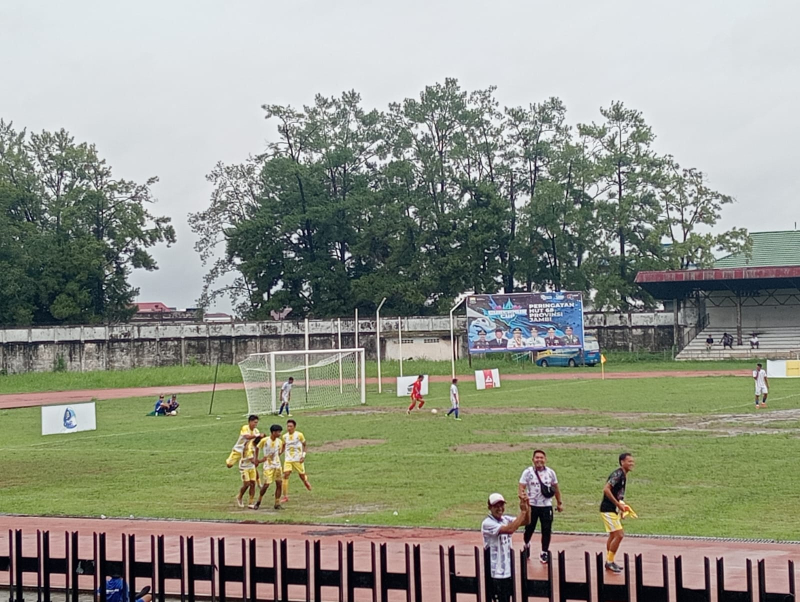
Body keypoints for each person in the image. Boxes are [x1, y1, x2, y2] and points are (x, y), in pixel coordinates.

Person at [481, 492, 530, 602]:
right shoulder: (487, 523)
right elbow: (509, 530)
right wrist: (522, 512)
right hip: (494, 573)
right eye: (496, 506)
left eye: (501, 505)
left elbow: (527, 521)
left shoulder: (505, 519)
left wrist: (527, 506)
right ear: (490, 507)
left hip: (507, 571)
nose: (499, 508)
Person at [518, 450, 563, 564]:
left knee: (546, 530)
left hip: (546, 506)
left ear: (545, 459)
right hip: (532, 506)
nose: (539, 460)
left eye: (541, 458)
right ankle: (527, 544)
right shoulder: (528, 472)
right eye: (537, 458)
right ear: (533, 460)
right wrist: (523, 498)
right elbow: (521, 486)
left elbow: (556, 488)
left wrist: (559, 503)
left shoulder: (551, 473)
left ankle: (544, 552)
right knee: (529, 528)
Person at [600, 453, 635, 573]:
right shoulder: (618, 474)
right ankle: (609, 562)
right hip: (608, 509)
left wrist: (622, 507)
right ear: (622, 462)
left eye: (632, 461)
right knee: (619, 535)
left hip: (612, 509)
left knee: (613, 535)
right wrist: (617, 504)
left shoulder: (623, 475)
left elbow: (617, 494)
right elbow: (606, 489)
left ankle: (609, 560)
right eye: (629, 461)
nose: (632, 464)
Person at [251, 424, 284, 509]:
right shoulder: (265, 440)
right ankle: (259, 501)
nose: (279, 434)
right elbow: (257, 448)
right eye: (278, 432)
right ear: (273, 432)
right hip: (268, 466)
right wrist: (256, 459)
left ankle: (277, 503)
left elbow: (280, 451)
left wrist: (276, 456)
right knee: (266, 485)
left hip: (277, 465)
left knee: (279, 483)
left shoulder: (279, 442)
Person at [281, 419, 311, 503]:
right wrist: (278, 454)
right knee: (286, 475)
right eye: (288, 426)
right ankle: (285, 496)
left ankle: (305, 481)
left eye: (291, 426)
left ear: (294, 427)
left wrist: (303, 456)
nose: (289, 428)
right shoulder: (284, 436)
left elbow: (305, 445)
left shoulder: (299, 435)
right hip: (288, 459)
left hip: (297, 459)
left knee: (302, 475)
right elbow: (283, 447)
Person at [236, 436, 260, 508]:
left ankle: (251, 502)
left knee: (253, 483)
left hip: (251, 467)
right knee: (246, 484)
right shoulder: (250, 447)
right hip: (244, 467)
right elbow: (252, 460)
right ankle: (239, 497)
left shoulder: (253, 442)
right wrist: (261, 460)